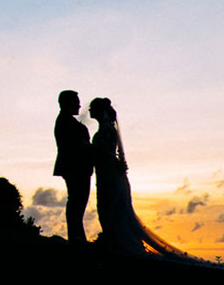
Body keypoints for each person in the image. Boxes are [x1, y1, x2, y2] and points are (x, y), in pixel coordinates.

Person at [89, 97, 193, 258]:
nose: (89, 110)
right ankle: (114, 241)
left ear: (100, 111)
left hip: (109, 175)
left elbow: (100, 152)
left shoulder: (106, 130)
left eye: (92, 108)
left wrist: (87, 148)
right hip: (106, 174)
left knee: (109, 209)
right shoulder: (106, 129)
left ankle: (118, 244)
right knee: (107, 209)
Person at [53, 90, 93, 243]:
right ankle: (76, 237)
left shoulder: (66, 121)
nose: (79, 105)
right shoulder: (66, 122)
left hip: (76, 167)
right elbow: (77, 148)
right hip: (76, 168)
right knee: (77, 203)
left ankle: (77, 236)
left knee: (77, 203)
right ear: (68, 103)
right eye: (76, 101)